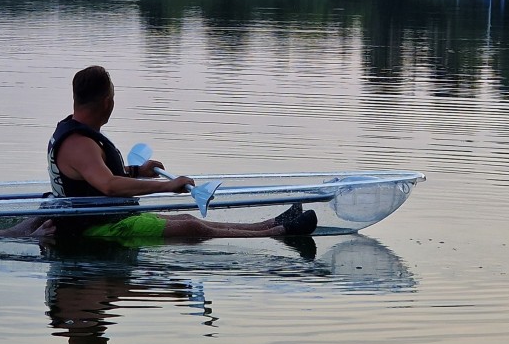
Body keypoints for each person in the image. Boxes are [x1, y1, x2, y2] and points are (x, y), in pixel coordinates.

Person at [45, 65, 317, 243]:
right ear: (108, 101)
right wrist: (166, 185)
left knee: (188, 220)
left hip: (109, 218)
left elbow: (95, 177)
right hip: (96, 229)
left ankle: (271, 223)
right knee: (192, 229)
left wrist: (138, 172)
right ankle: (282, 233)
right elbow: (108, 185)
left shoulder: (79, 136)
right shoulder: (79, 143)